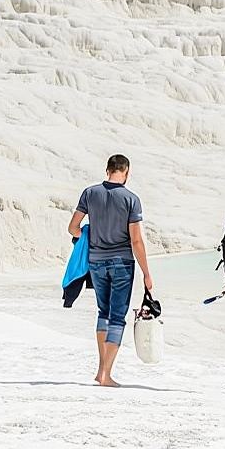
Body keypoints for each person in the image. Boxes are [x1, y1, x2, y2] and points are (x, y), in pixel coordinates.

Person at [67, 154, 154, 387]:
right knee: (117, 317)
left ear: (107, 170)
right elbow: (136, 241)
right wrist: (146, 272)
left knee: (102, 313)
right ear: (126, 172)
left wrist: (88, 235)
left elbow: (73, 228)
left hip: (96, 262)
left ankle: (100, 370)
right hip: (122, 263)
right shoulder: (131, 199)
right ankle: (106, 374)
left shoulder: (90, 193)